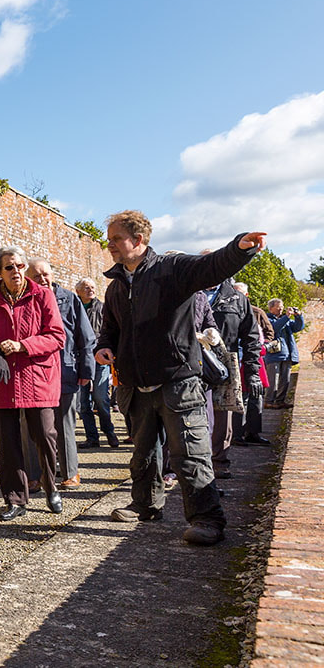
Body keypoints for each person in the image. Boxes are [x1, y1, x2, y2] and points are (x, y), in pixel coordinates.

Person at [97, 210, 264, 546]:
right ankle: (145, 504)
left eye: (116, 238)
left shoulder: (172, 270)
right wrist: (104, 347)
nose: (110, 244)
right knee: (143, 453)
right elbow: (111, 329)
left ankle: (207, 518)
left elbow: (212, 266)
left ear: (138, 240)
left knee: (190, 452)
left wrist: (239, 248)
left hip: (179, 381)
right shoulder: (115, 286)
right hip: (136, 386)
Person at [0, 245, 66, 521]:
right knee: (8, 442)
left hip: (38, 379)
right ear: (0, 272)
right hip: (3, 380)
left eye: (20, 266)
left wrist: (23, 345)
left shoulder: (43, 295)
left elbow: (56, 336)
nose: (16, 271)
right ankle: (15, 499)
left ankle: (51, 488)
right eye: (9, 267)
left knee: (45, 436)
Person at [26, 259, 94, 489]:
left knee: (64, 424)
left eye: (45, 274)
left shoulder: (69, 298)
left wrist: (86, 369)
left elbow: (85, 337)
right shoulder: (25, 300)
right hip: (35, 372)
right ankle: (36, 475)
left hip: (65, 369)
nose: (43, 279)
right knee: (35, 427)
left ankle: (70, 472)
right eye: (36, 276)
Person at [203, 259, 261, 480]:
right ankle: (192, 463)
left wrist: (252, 371)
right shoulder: (189, 292)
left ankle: (218, 461)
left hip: (225, 361)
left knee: (222, 416)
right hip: (192, 358)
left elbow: (251, 337)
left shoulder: (236, 298)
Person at [74, 278, 121, 449]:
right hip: (78, 360)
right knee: (83, 402)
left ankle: (109, 432)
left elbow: (109, 330)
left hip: (98, 358)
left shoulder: (102, 308)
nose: (90, 290)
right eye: (86, 288)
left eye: (92, 287)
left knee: (101, 398)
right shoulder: (73, 306)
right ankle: (92, 437)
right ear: (78, 291)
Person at [231, 282, 271, 446]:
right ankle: (237, 434)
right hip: (238, 360)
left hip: (255, 359)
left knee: (256, 398)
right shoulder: (230, 311)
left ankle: (252, 432)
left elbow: (266, 334)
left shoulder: (256, 312)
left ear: (246, 296)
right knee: (241, 399)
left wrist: (265, 346)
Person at [265, 298, 304, 409]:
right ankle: (269, 401)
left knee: (285, 380)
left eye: (282, 306)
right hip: (274, 355)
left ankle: (280, 401)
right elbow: (274, 328)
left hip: (287, 354)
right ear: (271, 308)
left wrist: (298, 316)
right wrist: (287, 317)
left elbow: (298, 327)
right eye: (279, 306)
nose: (281, 308)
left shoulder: (285, 319)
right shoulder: (267, 319)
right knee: (273, 380)